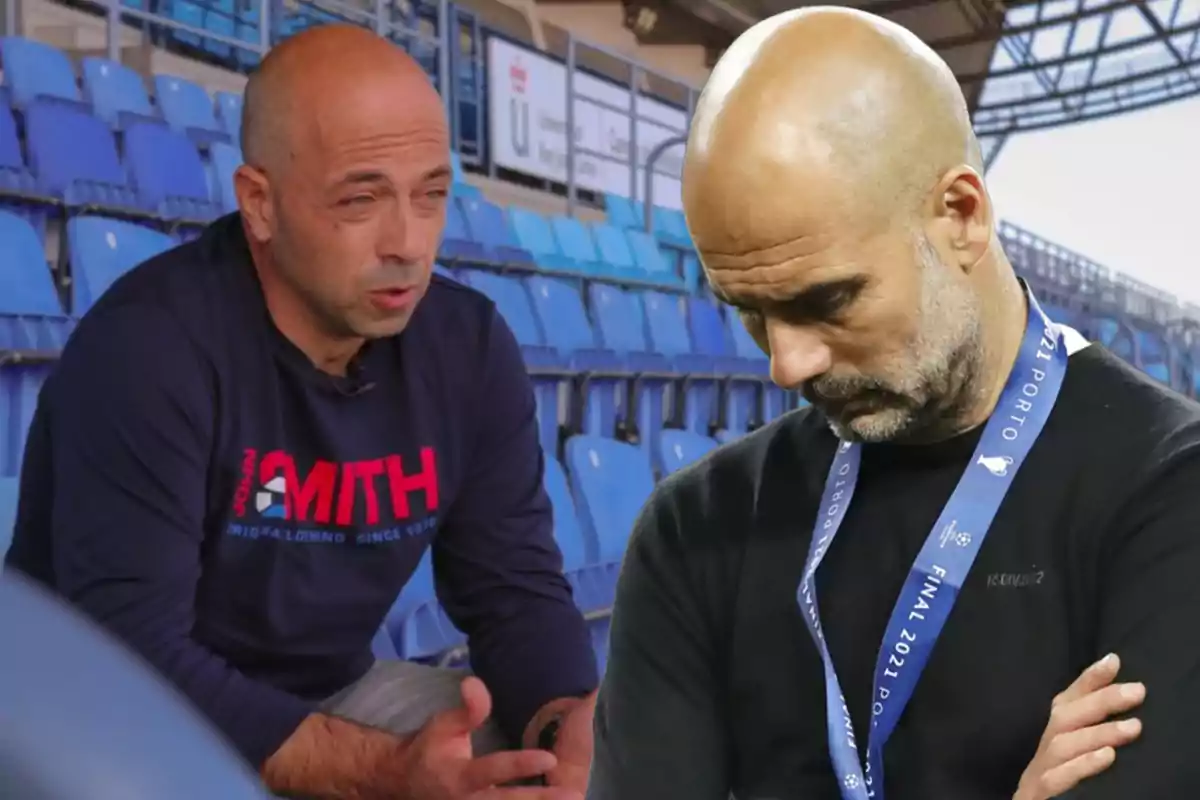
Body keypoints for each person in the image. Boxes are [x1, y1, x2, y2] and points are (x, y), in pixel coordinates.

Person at [586, 7, 1200, 800]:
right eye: (748, 308)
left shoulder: (1171, 493)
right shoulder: (694, 530)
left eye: (828, 298)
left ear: (961, 216)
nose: (786, 362)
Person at [5, 24, 595, 800]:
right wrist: (382, 772)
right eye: (362, 200)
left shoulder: (469, 347)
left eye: (431, 195)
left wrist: (564, 727)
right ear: (260, 203)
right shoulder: (147, 349)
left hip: (333, 693)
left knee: (539, 772)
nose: (409, 243)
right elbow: (132, 651)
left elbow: (514, 589)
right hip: (101, 708)